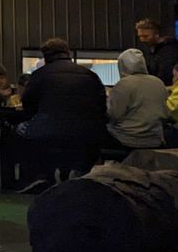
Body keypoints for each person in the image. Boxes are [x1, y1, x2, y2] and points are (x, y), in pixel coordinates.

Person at [16, 38, 107, 189]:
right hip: (86, 133)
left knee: (19, 131)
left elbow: (28, 104)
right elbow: (101, 106)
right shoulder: (90, 75)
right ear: (68, 53)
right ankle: (78, 172)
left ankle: (38, 176)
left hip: (47, 130)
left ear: (45, 56)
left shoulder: (39, 75)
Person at [105, 48, 168, 149]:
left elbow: (114, 114)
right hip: (154, 138)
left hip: (125, 138)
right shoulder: (158, 82)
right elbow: (165, 112)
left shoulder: (124, 85)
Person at [135, 18, 178, 86]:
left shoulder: (169, 51)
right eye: (140, 36)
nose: (142, 40)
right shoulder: (151, 50)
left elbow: (165, 76)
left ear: (157, 34)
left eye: (146, 36)